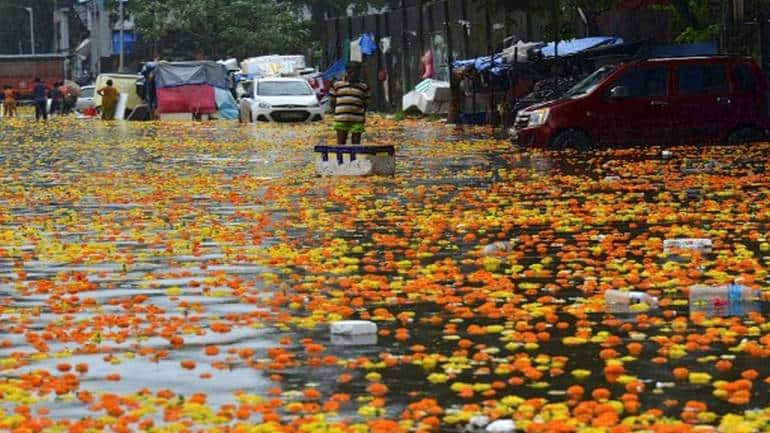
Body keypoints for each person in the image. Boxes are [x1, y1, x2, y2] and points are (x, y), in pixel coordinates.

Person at [329, 62, 369, 145]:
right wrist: (336, 113)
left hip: (357, 119)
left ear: (359, 73)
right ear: (347, 72)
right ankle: (341, 158)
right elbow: (332, 101)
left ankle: (355, 158)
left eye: (356, 72)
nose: (353, 75)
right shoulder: (337, 85)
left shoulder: (363, 86)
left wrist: (362, 115)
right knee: (341, 144)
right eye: (351, 72)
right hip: (341, 118)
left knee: (356, 144)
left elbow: (365, 103)